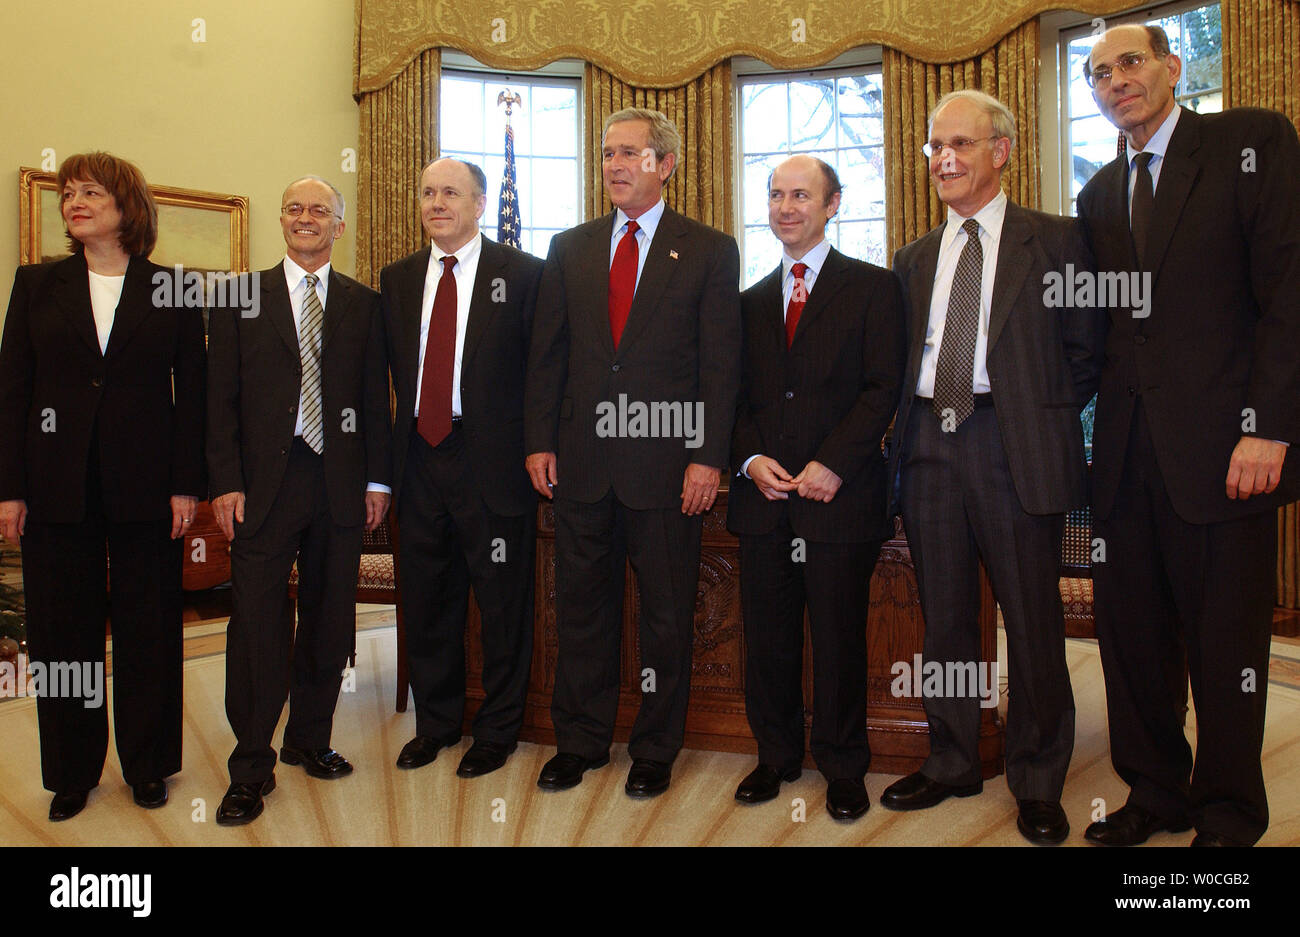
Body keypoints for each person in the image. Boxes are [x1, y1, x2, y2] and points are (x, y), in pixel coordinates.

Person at [1077, 24, 1300, 847]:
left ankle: (1230, 810)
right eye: (1098, 74)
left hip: (1227, 451)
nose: (1114, 82)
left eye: (1129, 64)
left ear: (1173, 69)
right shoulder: (1099, 193)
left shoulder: (1250, 142)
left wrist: (1269, 427)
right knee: (1132, 640)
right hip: (1127, 459)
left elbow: (1289, 292)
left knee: (1224, 646)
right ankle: (1156, 792)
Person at [884, 90, 1104, 844]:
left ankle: (1039, 777)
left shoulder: (1059, 240)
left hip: (1013, 445)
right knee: (944, 616)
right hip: (930, 444)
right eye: (934, 147)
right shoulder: (912, 257)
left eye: (961, 145)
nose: (944, 159)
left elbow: (1085, 351)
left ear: (1000, 151)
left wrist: (1029, 412)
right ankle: (951, 757)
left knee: (1032, 619)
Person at [524, 107, 741, 797]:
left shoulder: (707, 248)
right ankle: (580, 739)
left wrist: (708, 456)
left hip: (667, 470)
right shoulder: (571, 247)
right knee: (580, 610)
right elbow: (548, 354)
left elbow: (720, 364)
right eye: (609, 152)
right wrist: (537, 441)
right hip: (582, 465)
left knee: (666, 614)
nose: (615, 165)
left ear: (664, 164)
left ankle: (655, 746)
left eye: (631, 154)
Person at [0, 152, 206, 821]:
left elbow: (193, 395)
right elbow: (12, 393)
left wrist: (185, 484)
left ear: (127, 206)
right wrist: (10, 488)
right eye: (67, 193)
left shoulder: (172, 287)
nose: (74, 201)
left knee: (149, 627)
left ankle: (148, 764)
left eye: (90, 191)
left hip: (148, 485)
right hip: (54, 483)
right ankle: (71, 769)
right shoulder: (35, 285)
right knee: (64, 632)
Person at [207, 176, 391, 826]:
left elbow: (375, 399)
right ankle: (250, 764)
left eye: (320, 210)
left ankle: (309, 738)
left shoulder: (363, 305)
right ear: (282, 222)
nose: (306, 218)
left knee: (328, 617)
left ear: (338, 225)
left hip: (339, 482)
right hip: (261, 487)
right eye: (295, 209)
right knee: (255, 624)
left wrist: (378, 482)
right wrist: (226, 481)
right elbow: (218, 400)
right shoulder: (237, 299)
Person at [728, 155, 904, 820]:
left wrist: (835, 461)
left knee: (838, 642)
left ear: (833, 203)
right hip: (764, 502)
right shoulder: (746, 303)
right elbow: (732, 397)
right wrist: (748, 459)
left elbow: (882, 387)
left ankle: (842, 764)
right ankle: (775, 755)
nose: (785, 206)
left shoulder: (874, 288)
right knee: (768, 641)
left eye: (800, 194)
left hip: (840, 501)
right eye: (775, 195)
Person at [380, 158, 542, 778]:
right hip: (419, 458)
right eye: (426, 192)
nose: (436, 202)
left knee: (501, 602)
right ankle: (437, 724)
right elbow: (383, 380)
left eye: (450, 192)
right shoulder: (396, 280)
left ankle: (498, 731)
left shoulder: (522, 274)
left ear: (479, 204)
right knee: (426, 600)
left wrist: (539, 445)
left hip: (493, 460)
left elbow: (542, 372)